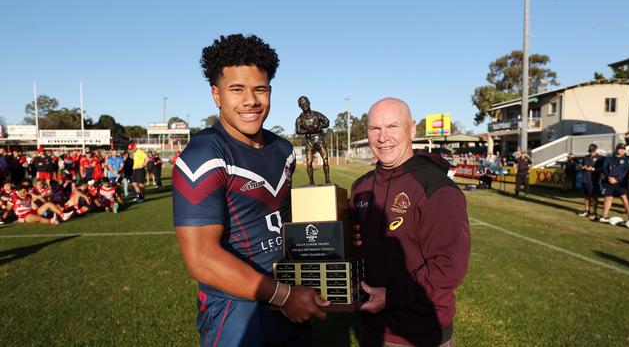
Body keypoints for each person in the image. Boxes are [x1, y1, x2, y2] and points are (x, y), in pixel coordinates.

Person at [172, 34, 328, 347]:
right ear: (216, 94)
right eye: (237, 89)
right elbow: (201, 258)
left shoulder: (282, 148)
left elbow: (283, 220)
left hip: (288, 299)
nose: (251, 101)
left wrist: (333, 234)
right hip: (235, 310)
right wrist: (283, 295)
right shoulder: (204, 155)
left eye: (260, 89)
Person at [350, 98, 470, 347]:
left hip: (419, 334)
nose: (383, 137)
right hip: (372, 328)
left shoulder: (435, 187)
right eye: (375, 129)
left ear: (412, 129)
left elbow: (449, 267)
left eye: (393, 126)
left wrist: (391, 297)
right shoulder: (361, 186)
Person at [295, 96, 331, 184]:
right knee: (309, 162)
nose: (304, 105)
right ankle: (311, 181)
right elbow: (298, 130)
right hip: (309, 141)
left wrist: (320, 126)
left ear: (309, 103)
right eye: (302, 104)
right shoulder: (299, 119)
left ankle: (327, 179)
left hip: (319, 139)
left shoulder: (317, 114)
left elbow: (327, 122)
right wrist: (307, 130)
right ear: (299, 106)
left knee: (325, 159)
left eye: (306, 103)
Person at [599, 143, 629, 223]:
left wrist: (617, 179)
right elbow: (604, 168)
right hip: (608, 181)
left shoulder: (627, 160)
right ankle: (604, 216)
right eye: (620, 148)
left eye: (623, 149)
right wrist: (609, 177)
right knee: (608, 198)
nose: (622, 150)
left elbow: (625, 171)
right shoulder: (609, 158)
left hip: (620, 182)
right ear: (616, 149)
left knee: (624, 198)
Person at [577, 144, 602, 220]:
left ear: (596, 150)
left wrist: (593, 168)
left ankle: (594, 212)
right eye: (591, 151)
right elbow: (582, 165)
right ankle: (587, 210)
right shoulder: (586, 157)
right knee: (586, 196)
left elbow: (601, 168)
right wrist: (582, 167)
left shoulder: (600, 158)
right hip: (585, 179)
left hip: (594, 180)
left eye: (593, 151)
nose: (592, 153)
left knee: (594, 197)